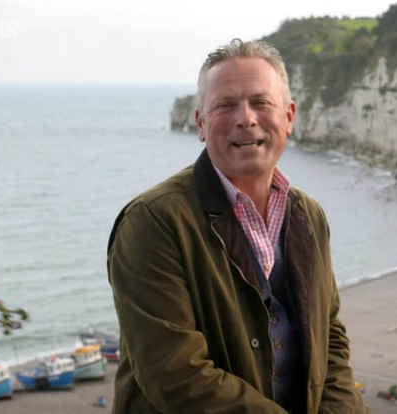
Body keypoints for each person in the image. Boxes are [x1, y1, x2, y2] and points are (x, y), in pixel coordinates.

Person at [107, 38, 368, 413]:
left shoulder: (309, 217)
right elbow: (176, 374)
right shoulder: (152, 223)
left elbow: (331, 340)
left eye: (261, 102)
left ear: (289, 117)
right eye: (226, 105)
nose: (246, 118)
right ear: (200, 123)